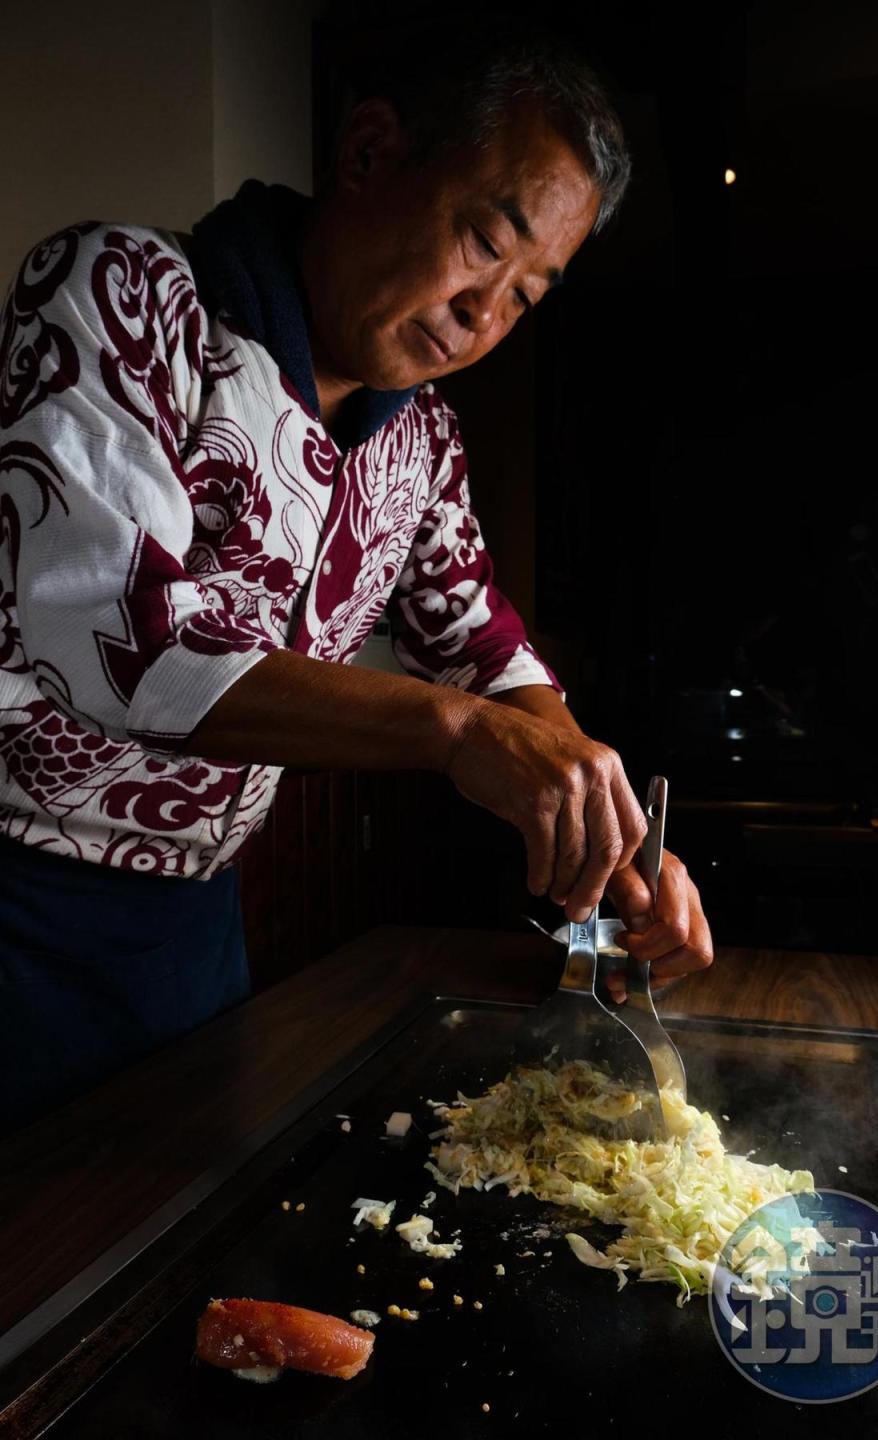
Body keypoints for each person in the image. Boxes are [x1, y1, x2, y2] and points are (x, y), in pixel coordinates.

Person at [0, 17, 712, 1132]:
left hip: (195, 926)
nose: (486, 316)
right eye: (486, 242)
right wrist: (458, 735)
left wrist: (613, 840)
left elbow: (486, 650)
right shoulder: (126, 295)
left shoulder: (420, 439)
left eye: (528, 293)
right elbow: (126, 642)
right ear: (372, 153)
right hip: (19, 901)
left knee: (175, 1248)